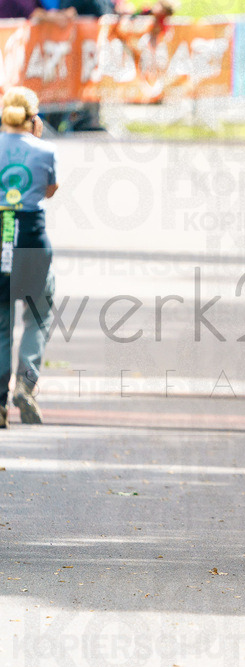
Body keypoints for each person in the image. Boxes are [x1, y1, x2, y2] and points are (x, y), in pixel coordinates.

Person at [0, 87, 58, 428]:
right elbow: (49, 190)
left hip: (0, 236)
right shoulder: (46, 150)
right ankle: (26, 383)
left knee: (1, 319)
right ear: (33, 118)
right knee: (38, 312)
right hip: (33, 240)